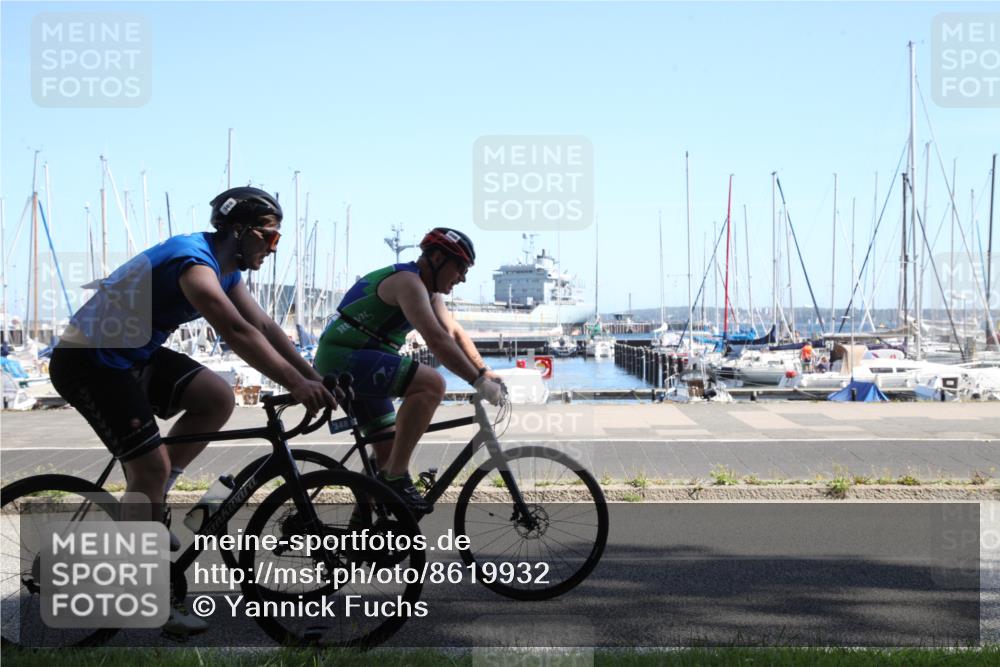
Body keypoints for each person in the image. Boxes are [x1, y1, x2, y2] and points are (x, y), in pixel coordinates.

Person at [49, 186, 339, 634]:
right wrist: (295, 384)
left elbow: (263, 324)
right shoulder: (193, 263)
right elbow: (236, 331)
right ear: (240, 231)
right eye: (270, 238)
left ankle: (157, 492)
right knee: (145, 468)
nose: (274, 249)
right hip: (90, 359)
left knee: (217, 399)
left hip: (131, 356)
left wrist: (314, 379)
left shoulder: (226, 270)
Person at [314, 227, 505, 513]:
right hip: (344, 357)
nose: (463, 277)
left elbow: (452, 331)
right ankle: (396, 479)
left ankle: (359, 533)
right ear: (438, 258)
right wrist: (478, 382)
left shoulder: (429, 293)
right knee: (431, 384)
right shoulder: (407, 282)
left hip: (364, 360)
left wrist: (485, 371)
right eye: (461, 267)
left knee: (386, 454)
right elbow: (437, 340)